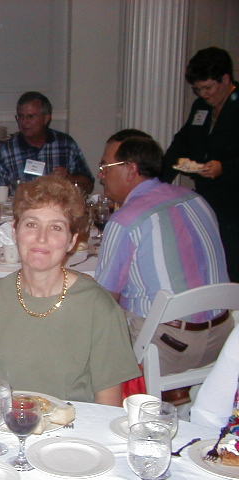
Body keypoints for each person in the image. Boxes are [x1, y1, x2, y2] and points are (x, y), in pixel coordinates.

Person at [0, 176, 138, 406]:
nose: (41, 238)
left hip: (75, 426)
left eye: (56, 227)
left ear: (72, 241)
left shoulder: (99, 308)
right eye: (31, 224)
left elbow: (108, 406)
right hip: (5, 422)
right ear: (14, 232)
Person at [96, 132, 232, 383]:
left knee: (88, 326)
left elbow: (104, 300)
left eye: (106, 166)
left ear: (131, 169)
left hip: (168, 348)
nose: (101, 175)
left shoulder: (125, 221)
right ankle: (178, 394)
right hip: (223, 339)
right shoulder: (196, 200)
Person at [161, 47, 239, 283]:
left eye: (208, 88)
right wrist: (158, 183)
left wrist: (224, 167)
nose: (204, 94)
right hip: (208, 198)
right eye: (198, 89)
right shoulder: (201, 107)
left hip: (234, 202)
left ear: (225, 79)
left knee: (233, 264)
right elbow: (181, 143)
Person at [0, 91, 94, 193]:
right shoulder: (7, 150)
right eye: (20, 116)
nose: (24, 122)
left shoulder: (65, 144)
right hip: (21, 204)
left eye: (30, 116)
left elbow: (89, 186)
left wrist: (69, 178)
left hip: (58, 204)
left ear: (46, 118)